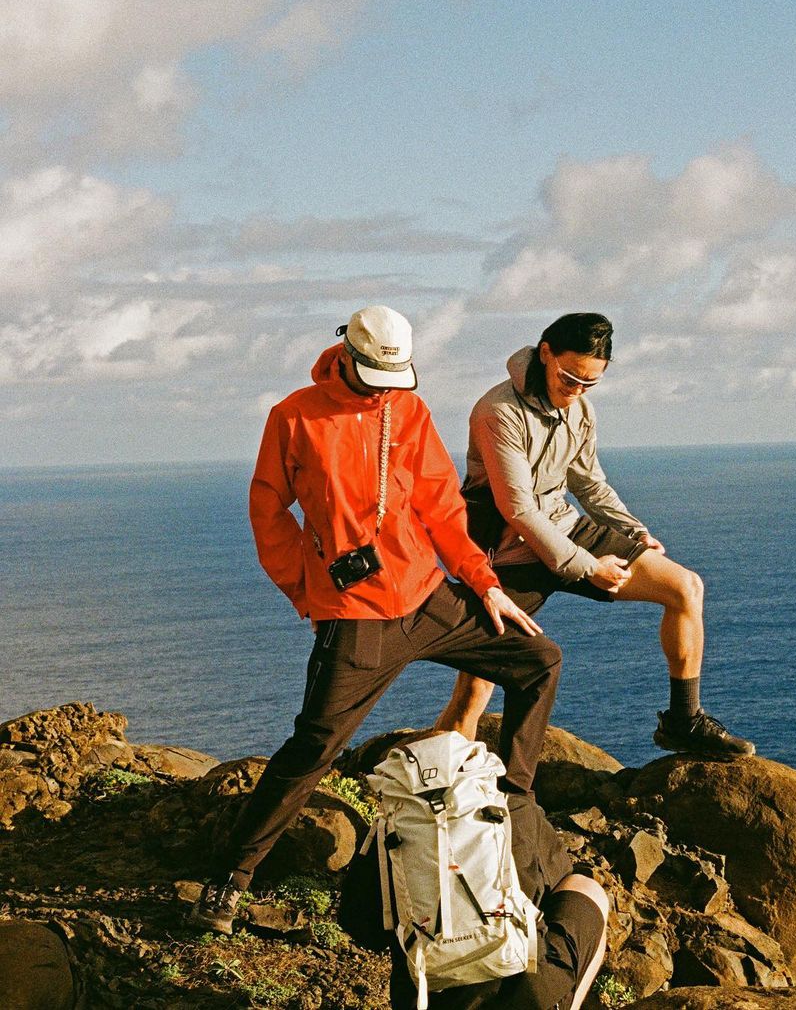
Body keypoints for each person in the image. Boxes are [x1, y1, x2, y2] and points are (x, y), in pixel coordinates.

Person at [191, 305, 563, 935]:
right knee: (314, 746)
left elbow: (442, 509)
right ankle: (229, 879)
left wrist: (484, 584)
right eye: (373, 376)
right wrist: (305, 593)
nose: (382, 389)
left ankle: (515, 805)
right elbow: (268, 511)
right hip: (354, 615)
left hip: (427, 598)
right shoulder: (294, 416)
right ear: (346, 354)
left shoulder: (408, 410)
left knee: (539, 662)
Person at [436, 312, 754, 760]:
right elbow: (518, 509)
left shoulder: (580, 409)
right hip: (508, 550)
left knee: (686, 587)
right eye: (570, 377)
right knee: (475, 687)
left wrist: (634, 531)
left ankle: (683, 721)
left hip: (564, 526)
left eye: (590, 382)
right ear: (545, 353)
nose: (577, 390)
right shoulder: (498, 411)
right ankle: (442, 781)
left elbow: (589, 484)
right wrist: (588, 568)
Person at [339, 734, 609, 1010]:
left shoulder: (390, 829)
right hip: (521, 991)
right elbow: (561, 877)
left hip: (424, 997)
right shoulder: (514, 809)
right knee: (586, 888)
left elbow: (359, 925)